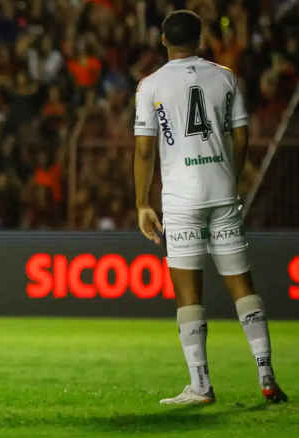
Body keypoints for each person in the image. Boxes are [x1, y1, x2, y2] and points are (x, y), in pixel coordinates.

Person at [134, 10, 287, 405]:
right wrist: (229, 177)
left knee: (189, 293)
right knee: (242, 284)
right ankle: (266, 374)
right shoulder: (225, 77)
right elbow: (241, 138)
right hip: (221, 191)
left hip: (182, 197)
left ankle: (201, 384)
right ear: (201, 39)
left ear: (163, 40)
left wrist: (141, 203)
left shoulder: (151, 86)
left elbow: (145, 148)